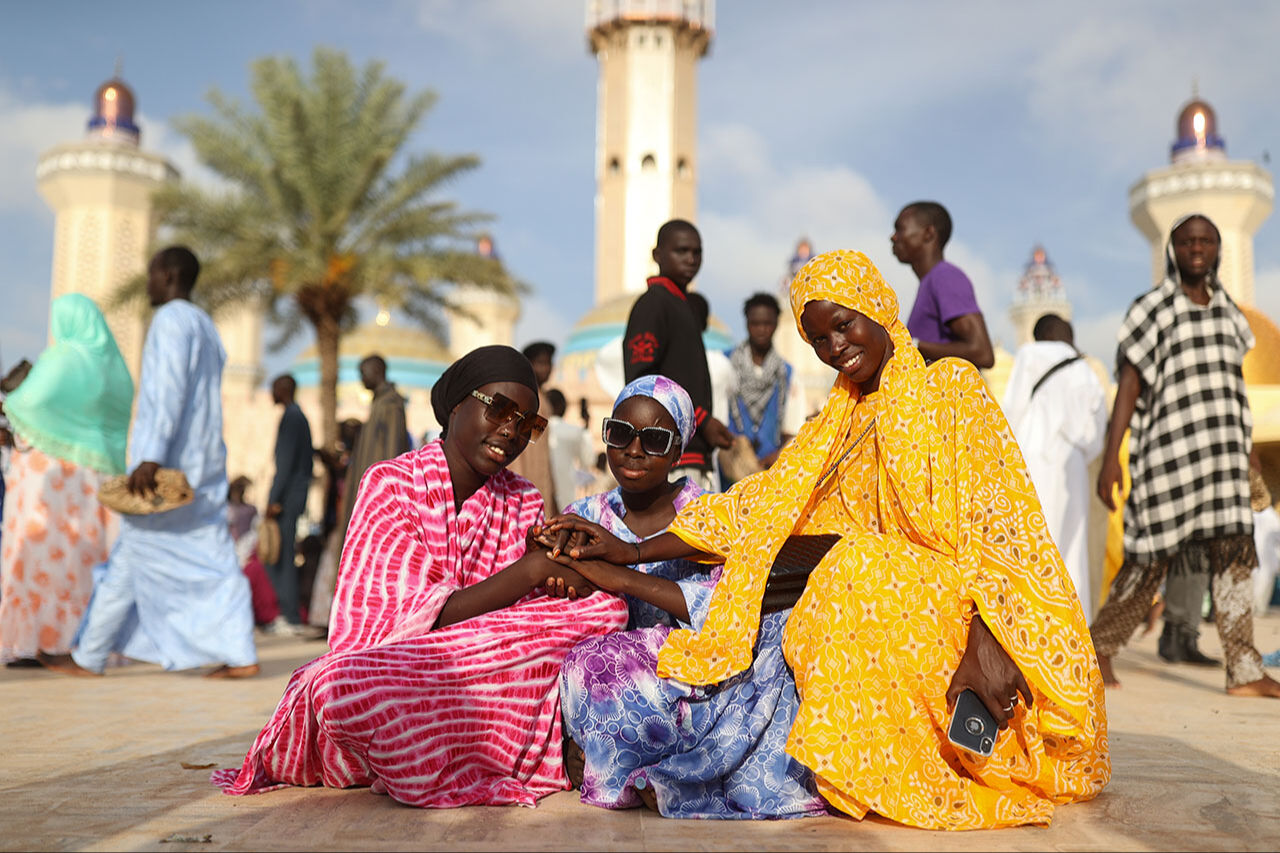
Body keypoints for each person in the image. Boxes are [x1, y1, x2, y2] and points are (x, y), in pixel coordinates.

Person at [546, 249, 1109, 830]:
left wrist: (985, 642)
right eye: (817, 338)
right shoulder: (835, 423)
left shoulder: (950, 390)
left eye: (844, 324)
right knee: (828, 584)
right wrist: (632, 551)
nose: (835, 346)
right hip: (889, 602)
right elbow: (756, 509)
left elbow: (1002, 526)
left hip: (976, 606)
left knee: (852, 568)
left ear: (879, 308)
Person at [213, 345, 629, 808]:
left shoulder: (523, 499)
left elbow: (511, 628)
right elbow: (389, 628)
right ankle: (497, 746)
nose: (511, 431)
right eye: (499, 409)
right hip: (397, 670)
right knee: (338, 686)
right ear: (456, 406)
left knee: (608, 609)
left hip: (479, 674)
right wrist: (529, 570)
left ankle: (446, 747)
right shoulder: (391, 484)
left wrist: (554, 583)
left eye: (528, 424)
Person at [549, 376, 825, 819]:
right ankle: (604, 756)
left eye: (655, 440)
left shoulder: (707, 515)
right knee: (588, 666)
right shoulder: (583, 517)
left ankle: (666, 772)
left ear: (679, 451)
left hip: (698, 680)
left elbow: (728, 611)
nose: (634, 450)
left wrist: (621, 576)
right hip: (622, 681)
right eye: (620, 434)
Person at [38, 246, 258, 679]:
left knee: (162, 552)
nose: (148, 282)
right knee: (149, 555)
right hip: (201, 464)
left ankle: (236, 651)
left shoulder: (172, 321)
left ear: (170, 275)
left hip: (168, 468)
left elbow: (167, 391)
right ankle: (92, 654)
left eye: (153, 273)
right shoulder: (204, 325)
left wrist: (151, 456)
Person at [1092, 214, 1280, 697]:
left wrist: (1249, 454)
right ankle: (1098, 651)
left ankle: (1243, 670)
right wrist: (1113, 456)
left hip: (1223, 458)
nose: (1197, 247)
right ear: (1172, 249)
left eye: (1206, 240)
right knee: (1147, 559)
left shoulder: (1230, 315)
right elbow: (1129, 386)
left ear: (1218, 248)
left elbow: (1231, 385)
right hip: (1168, 457)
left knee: (1235, 556)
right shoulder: (1151, 309)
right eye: (1187, 240)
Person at [0, 294, 133, 665]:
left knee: (43, 555)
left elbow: (28, 402)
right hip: (99, 481)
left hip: (51, 479)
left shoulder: (63, 359)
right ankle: (85, 643)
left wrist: (10, 400)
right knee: (86, 559)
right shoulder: (117, 370)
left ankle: (36, 643)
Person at [1001, 314, 1107, 615]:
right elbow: (1095, 434)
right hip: (1072, 465)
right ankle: (1071, 625)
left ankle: (1028, 621)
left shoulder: (1029, 354)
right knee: (1071, 548)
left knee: (1029, 542)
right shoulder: (1084, 368)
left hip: (1031, 457)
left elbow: (1013, 409)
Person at [622, 219, 734, 491]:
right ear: (657, 255)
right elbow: (644, 382)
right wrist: (701, 419)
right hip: (670, 457)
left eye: (697, 252)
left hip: (695, 453)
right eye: (681, 251)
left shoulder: (681, 305)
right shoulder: (654, 305)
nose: (691, 259)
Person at [891, 201, 994, 369]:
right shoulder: (930, 281)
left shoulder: (945, 276)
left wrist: (911, 345)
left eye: (900, 229)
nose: (893, 237)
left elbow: (982, 353)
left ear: (928, 233)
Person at [725, 292, 804, 470]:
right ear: (746, 323)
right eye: (755, 324)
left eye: (767, 324)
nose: (761, 329)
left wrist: (777, 456)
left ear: (776, 324)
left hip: (771, 474)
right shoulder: (725, 366)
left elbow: (794, 431)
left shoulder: (788, 374)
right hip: (730, 472)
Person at [337, 355, 409, 544]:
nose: (361, 378)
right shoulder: (378, 403)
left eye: (363, 373)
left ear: (377, 371)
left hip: (378, 501)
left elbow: (392, 454)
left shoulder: (391, 405)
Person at [262, 374, 313, 632]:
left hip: (286, 500)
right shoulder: (297, 416)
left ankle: (290, 616)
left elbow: (286, 464)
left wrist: (274, 500)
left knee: (279, 556)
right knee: (280, 554)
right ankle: (289, 614)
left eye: (273, 387)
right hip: (292, 497)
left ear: (283, 389)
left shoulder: (292, 417)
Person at [507, 341, 557, 509]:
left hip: (539, 482)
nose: (546, 369)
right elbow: (522, 446)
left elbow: (539, 448)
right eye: (541, 363)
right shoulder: (528, 398)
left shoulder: (542, 399)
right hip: (523, 486)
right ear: (528, 365)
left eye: (548, 364)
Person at [545, 388, 594, 513]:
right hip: (564, 501)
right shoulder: (574, 432)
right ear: (563, 407)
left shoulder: (535, 431)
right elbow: (589, 460)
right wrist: (586, 429)